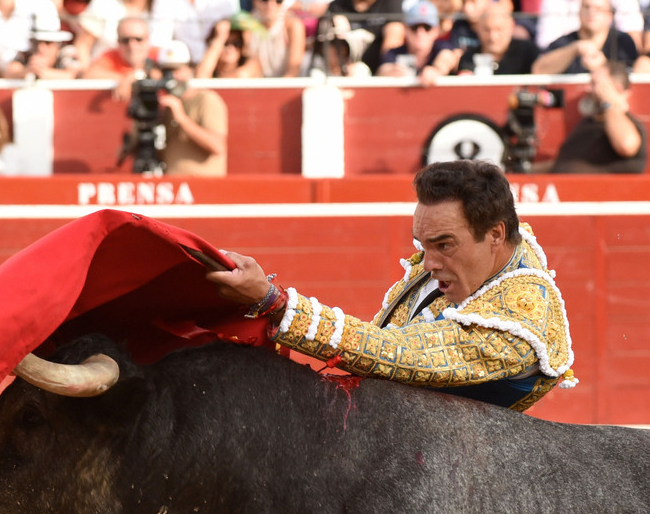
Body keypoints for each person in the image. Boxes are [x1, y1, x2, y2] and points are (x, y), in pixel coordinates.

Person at [205, 159, 576, 412]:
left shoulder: (517, 324)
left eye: (444, 245)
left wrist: (275, 302)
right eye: (423, 244)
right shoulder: (501, 245)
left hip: (444, 484)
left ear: (495, 235)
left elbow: (391, 352)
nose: (427, 263)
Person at [550, 60, 646, 173]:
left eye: (595, 84)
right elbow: (566, 164)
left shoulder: (631, 126)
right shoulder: (587, 122)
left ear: (618, 89)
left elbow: (626, 145)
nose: (588, 89)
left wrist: (609, 103)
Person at [152, 40, 227, 176]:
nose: (172, 77)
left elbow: (217, 146)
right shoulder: (167, 104)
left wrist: (181, 118)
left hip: (204, 188)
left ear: (190, 69)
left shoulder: (206, 99)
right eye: (167, 71)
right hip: (175, 189)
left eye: (177, 69)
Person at [323, 0, 404, 76]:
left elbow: (394, 37)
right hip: (347, 75)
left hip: (381, 74)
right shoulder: (337, 6)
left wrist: (384, 70)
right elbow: (333, 51)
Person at [74, 0, 162, 68]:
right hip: (103, 75)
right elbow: (82, 46)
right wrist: (87, 76)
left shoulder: (157, 10)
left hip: (141, 79)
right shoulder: (105, 1)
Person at [532, 0, 638, 74]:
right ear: (579, 12)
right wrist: (574, 49)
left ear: (609, 15)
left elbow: (632, 74)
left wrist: (604, 66)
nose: (591, 12)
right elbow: (538, 70)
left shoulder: (623, 42)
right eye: (586, 7)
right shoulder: (564, 42)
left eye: (598, 8)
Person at [376, 0, 459, 86]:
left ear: (436, 31)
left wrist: (436, 70)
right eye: (414, 27)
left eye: (427, 27)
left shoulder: (442, 47)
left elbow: (446, 57)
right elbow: (383, 68)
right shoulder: (394, 53)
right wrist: (390, 72)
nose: (420, 33)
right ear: (406, 29)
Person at [82, 15, 156, 100]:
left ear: (148, 40)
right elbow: (89, 74)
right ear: (118, 42)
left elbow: (166, 75)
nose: (132, 46)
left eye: (138, 39)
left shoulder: (159, 54)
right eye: (125, 40)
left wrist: (133, 78)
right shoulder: (111, 56)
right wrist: (125, 79)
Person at [457, 1, 538, 74]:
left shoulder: (528, 53)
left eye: (499, 29)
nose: (493, 37)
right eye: (487, 30)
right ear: (478, 28)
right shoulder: (467, 59)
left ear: (511, 27)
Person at [247, 0, 305, 77]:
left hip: (285, 85)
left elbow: (293, 70)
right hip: (255, 84)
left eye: (278, 0)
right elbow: (247, 68)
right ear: (255, 0)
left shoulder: (293, 25)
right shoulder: (246, 24)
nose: (271, 5)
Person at [3, 8, 78, 78]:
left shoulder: (66, 52)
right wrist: (27, 71)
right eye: (37, 42)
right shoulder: (26, 53)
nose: (41, 48)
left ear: (57, 44)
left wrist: (43, 72)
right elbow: (9, 72)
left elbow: (73, 74)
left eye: (47, 42)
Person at [196, 16, 263, 77]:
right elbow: (201, 76)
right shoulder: (210, 67)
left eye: (236, 43)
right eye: (225, 43)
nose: (231, 48)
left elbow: (241, 76)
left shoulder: (252, 64)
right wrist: (220, 38)